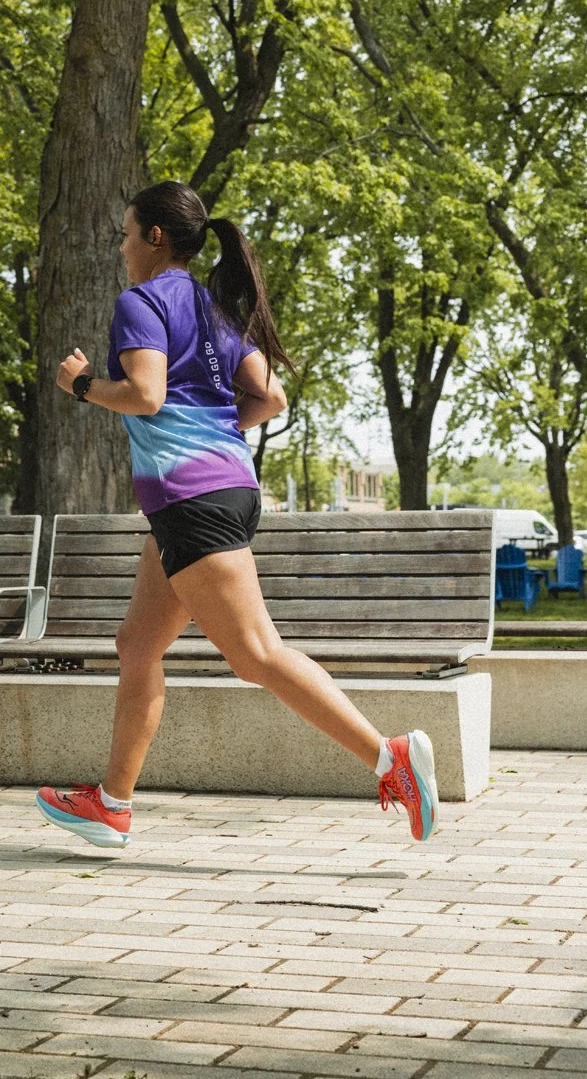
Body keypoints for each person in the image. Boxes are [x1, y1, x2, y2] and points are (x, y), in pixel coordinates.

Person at [35, 180, 438, 849]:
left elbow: (144, 394)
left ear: (155, 238)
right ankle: (111, 803)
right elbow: (270, 398)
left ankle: (388, 758)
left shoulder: (142, 302)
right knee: (137, 645)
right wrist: (217, 441)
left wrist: (78, 383)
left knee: (255, 654)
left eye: (126, 233)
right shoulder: (214, 308)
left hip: (193, 501)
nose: (121, 247)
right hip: (206, 495)